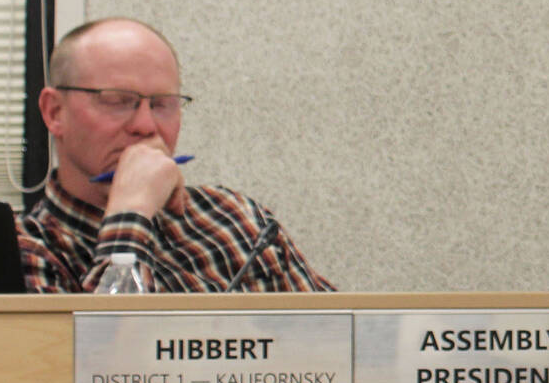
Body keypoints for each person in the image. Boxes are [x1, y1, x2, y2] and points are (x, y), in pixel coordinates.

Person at [17, 18, 332, 293]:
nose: (145, 126)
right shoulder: (25, 250)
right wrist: (131, 214)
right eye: (118, 101)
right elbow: (105, 355)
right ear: (55, 112)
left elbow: (341, 340)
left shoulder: (235, 217)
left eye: (163, 104)